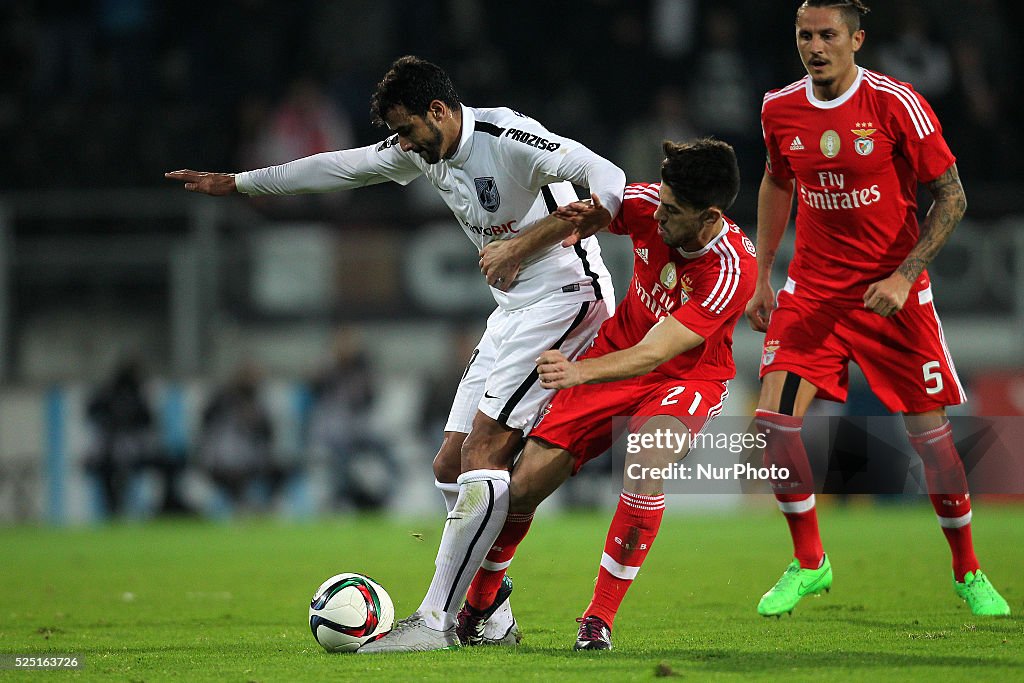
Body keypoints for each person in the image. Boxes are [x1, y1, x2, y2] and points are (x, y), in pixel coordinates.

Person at [167, 55, 625, 644]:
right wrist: (240, 183)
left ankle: (436, 620)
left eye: (408, 128)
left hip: (568, 298)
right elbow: (341, 167)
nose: (402, 143)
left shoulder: (509, 137)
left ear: (439, 111)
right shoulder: (422, 150)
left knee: (484, 454)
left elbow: (608, 178)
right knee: (449, 468)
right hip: (512, 311)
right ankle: (494, 615)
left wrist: (526, 243)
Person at [361, 137, 755, 652]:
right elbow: (579, 216)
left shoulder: (730, 269)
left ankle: (598, 619)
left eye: (672, 212)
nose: (656, 217)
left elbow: (657, 354)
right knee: (522, 486)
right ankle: (481, 606)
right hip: (612, 356)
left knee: (646, 458)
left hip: (684, 377)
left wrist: (576, 372)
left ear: (709, 217)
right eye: (659, 201)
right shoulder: (646, 206)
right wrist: (518, 247)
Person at [745, 0, 1009, 617]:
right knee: (775, 425)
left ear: (856, 38)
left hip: (894, 296)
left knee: (933, 441)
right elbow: (776, 180)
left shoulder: (896, 103)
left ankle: (967, 569)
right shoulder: (779, 109)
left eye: (827, 35)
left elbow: (952, 198)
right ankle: (810, 562)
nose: (814, 46)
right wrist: (762, 275)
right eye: (804, 35)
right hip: (812, 292)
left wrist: (903, 274)